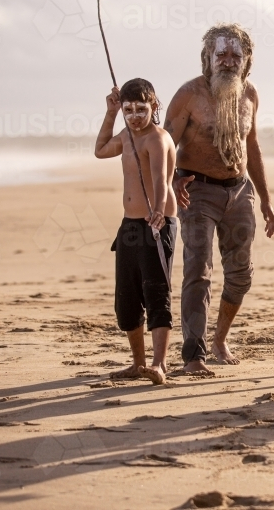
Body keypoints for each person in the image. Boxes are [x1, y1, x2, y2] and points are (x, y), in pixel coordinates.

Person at [164, 23, 274, 376]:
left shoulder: (250, 94)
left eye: (235, 56)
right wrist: (174, 179)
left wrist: (266, 199)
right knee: (198, 271)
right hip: (197, 192)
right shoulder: (189, 95)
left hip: (239, 191)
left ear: (246, 62)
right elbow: (165, 145)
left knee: (241, 274)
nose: (228, 61)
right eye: (221, 54)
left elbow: (252, 144)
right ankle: (193, 354)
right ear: (208, 58)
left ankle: (219, 340)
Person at [94, 78, 178, 386]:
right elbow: (100, 150)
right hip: (129, 225)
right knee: (127, 298)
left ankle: (159, 364)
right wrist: (111, 112)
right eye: (128, 110)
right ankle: (138, 363)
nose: (134, 116)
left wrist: (157, 211)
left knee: (156, 292)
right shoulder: (126, 135)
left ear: (154, 106)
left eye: (141, 109)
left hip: (156, 223)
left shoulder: (157, 138)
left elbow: (161, 179)